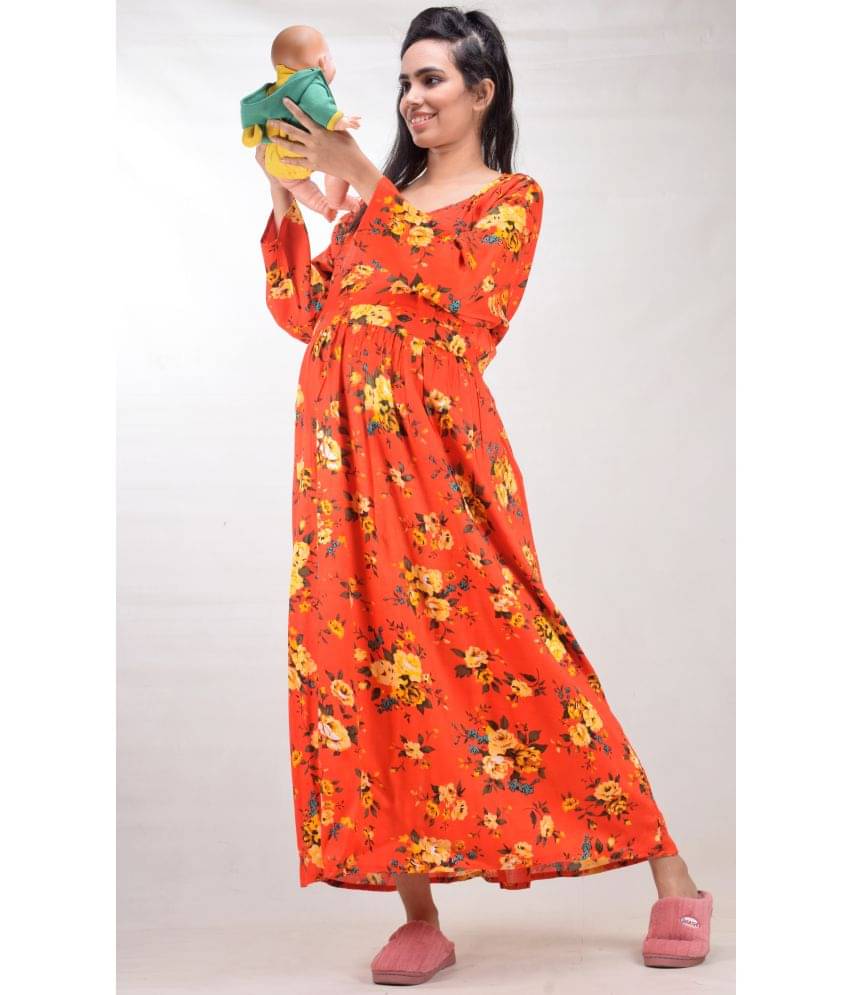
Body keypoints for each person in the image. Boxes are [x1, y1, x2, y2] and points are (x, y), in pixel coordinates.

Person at [254, 5, 713, 985]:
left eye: (432, 79)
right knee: (367, 662)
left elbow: (462, 293)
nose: (412, 99)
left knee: (517, 645)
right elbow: (304, 311)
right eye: (404, 82)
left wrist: (361, 173)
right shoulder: (369, 208)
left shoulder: (510, 199)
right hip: (338, 466)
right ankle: (418, 913)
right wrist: (286, 195)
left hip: (439, 462)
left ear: (481, 90)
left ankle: (672, 871)